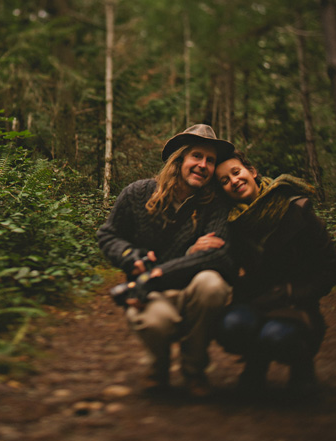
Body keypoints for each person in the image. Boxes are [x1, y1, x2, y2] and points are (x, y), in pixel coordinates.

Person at [97, 124, 236, 397]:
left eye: (210, 160)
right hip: (150, 295)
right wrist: (129, 256)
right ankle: (158, 367)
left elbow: (218, 253)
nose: (203, 165)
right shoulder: (137, 193)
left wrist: (156, 273)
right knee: (156, 322)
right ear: (179, 159)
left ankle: (194, 370)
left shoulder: (216, 204)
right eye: (197, 156)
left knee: (212, 285)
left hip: (184, 289)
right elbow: (109, 234)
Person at [191, 150, 336, 394]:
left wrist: (294, 292)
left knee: (276, 337)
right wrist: (195, 248)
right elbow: (225, 266)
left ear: (251, 172)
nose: (234, 181)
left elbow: (331, 267)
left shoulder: (296, 208)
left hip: (294, 304)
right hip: (254, 302)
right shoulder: (231, 222)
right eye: (224, 181)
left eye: (236, 172)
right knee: (230, 327)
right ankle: (256, 363)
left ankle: (301, 365)